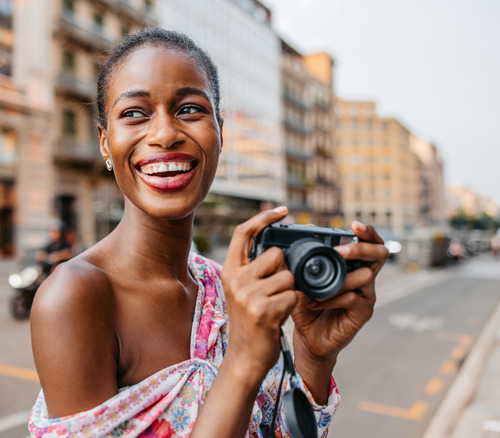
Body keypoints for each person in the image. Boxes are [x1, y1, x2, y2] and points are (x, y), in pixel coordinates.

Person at [29, 28, 387, 437]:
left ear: (220, 133)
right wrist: (243, 363)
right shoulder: (74, 296)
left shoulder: (226, 286)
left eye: (189, 110)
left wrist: (313, 353)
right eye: (134, 113)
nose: (164, 134)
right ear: (105, 142)